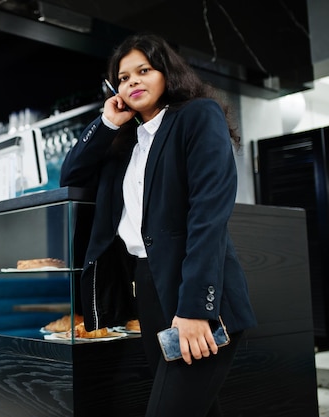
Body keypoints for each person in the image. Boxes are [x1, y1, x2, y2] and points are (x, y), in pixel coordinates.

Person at [60, 33, 257, 417]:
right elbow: (71, 174)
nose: (131, 82)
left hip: (196, 290)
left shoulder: (197, 116)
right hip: (148, 290)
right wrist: (106, 122)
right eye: (122, 78)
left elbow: (209, 216)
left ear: (167, 74)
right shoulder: (125, 142)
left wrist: (197, 308)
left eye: (143, 71)